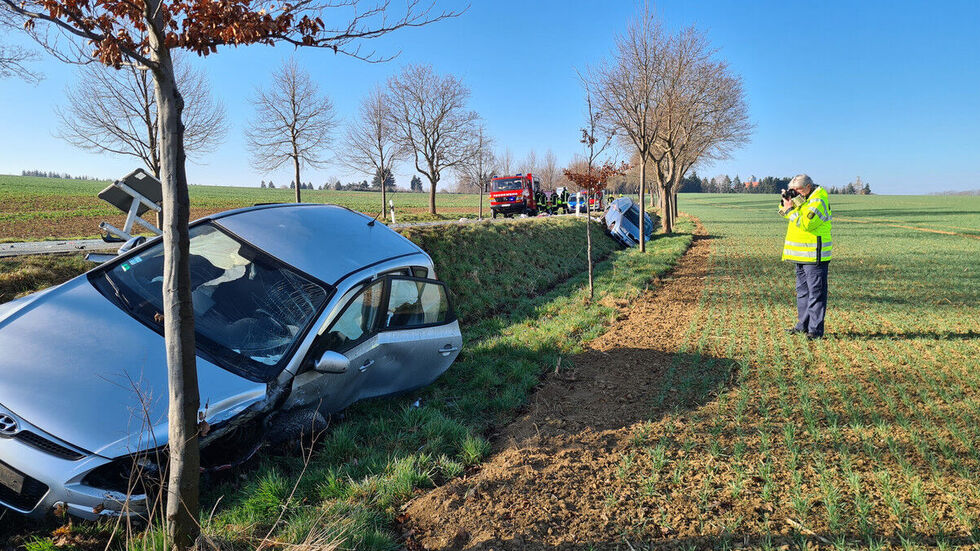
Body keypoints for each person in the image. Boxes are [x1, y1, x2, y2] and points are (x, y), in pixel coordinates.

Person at [779, 174, 832, 339]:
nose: (796, 193)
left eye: (798, 190)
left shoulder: (818, 201)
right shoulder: (804, 198)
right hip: (800, 255)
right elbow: (782, 211)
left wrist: (790, 210)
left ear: (808, 187)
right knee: (802, 293)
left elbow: (806, 224)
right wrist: (786, 201)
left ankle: (815, 331)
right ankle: (802, 326)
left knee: (816, 293)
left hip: (814, 256)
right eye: (793, 190)